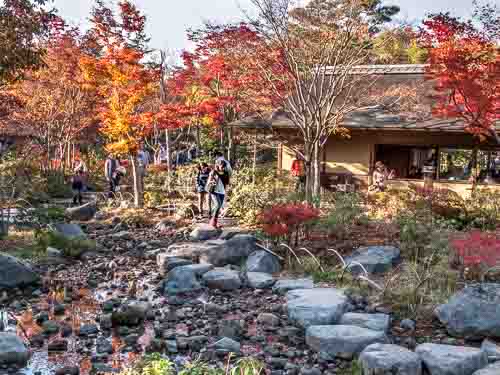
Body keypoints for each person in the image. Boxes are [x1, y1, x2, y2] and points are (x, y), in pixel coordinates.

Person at [207, 159, 228, 228]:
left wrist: (226, 193)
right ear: (218, 165)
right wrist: (212, 182)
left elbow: (227, 184)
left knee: (218, 207)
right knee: (218, 205)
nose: (223, 167)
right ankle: (213, 222)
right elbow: (208, 182)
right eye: (222, 166)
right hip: (214, 191)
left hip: (222, 192)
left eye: (224, 166)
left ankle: (214, 221)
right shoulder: (213, 172)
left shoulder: (225, 173)